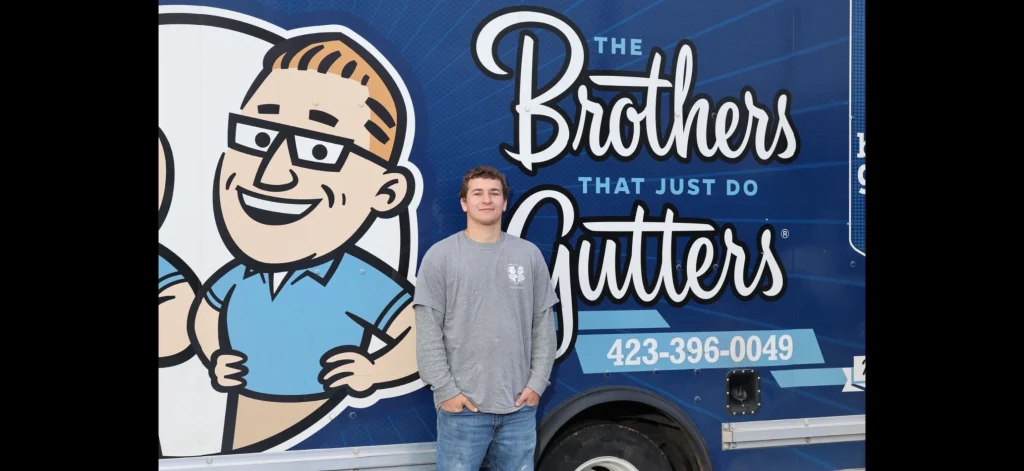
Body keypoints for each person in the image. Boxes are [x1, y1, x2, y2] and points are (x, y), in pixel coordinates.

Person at [188, 31, 421, 452]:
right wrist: (215, 354)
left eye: (318, 150)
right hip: (243, 414)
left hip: (315, 415)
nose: (271, 174)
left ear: (385, 192)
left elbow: (418, 329)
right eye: (258, 138)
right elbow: (207, 309)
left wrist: (376, 371)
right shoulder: (242, 274)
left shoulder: (359, 278)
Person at [414, 165, 559, 470]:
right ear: (464, 203)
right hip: (462, 409)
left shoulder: (528, 255)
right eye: (477, 193)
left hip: (519, 408)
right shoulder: (440, 257)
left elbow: (543, 323)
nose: (487, 199)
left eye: (495, 193)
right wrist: (446, 391)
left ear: (505, 202)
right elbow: (428, 331)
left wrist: (537, 384)